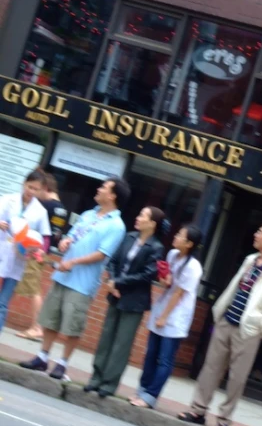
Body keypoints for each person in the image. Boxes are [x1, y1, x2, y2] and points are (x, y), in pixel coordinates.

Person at [179, 222, 262, 426]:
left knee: (237, 377)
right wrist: (220, 312)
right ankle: (198, 410)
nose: (256, 234)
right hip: (227, 320)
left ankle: (224, 419)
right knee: (211, 367)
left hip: (248, 330)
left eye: (261, 232)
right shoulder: (250, 260)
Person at [19, 178, 129, 380]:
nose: (99, 189)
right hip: (62, 274)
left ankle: (62, 363)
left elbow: (102, 254)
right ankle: (43, 357)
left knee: (73, 325)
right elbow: (73, 234)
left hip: (82, 283)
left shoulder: (116, 225)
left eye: (104, 187)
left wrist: (74, 262)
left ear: (113, 195)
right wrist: (66, 242)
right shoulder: (89, 214)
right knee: (51, 318)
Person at [84, 206, 166, 398]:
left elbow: (148, 274)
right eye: (139, 214)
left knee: (122, 343)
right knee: (106, 337)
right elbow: (113, 261)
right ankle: (96, 377)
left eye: (142, 216)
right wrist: (111, 280)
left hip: (134, 300)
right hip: (115, 293)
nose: (138, 218)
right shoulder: (129, 237)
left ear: (152, 223)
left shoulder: (156, 247)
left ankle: (109, 383)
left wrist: (118, 282)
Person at [129, 224, 203, 409]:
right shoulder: (171, 255)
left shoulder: (194, 267)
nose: (176, 236)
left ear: (189, 244)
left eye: (180, 235)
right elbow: (169, 284)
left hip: (175, 315)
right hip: (162, 307)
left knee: (165, 358)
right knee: (151, 354)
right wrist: (165, 279)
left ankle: (151, 396)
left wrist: (164, 317)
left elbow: (179, 294)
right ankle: (142, 390)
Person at [16, 171, 68, 341]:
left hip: (35, 252)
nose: (34, 194)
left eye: (37, 189)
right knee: (34, 289)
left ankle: (36, 327)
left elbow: (41, 233)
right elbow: (55, 235)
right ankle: (36, 326)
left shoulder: (46, 207)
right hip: (44, 251)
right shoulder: (61, 208)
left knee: (34, 290)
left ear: (44, 188)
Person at [0, 169, 50, 335]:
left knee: (3, 303)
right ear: (24, 183)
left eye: (36, 189)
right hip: (2, 250)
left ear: (41, 190)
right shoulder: (8, 200)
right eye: (29, 187)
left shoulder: (40, 211)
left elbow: (45, 237)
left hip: (18, 259)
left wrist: (39, 251)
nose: (31, 192)